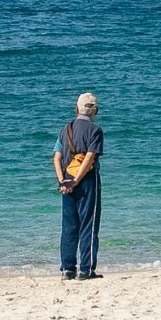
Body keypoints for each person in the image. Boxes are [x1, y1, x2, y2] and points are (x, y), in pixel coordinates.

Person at [54, 92, 104, 280]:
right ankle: (86, 269)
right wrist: (77, 179)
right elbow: (90, 157)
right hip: (87, 181)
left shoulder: (65, 129)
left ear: (77, 109)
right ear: (95, 112)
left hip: (66, 180)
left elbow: (57, 158)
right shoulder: (95, 130)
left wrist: (63, 180)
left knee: (69, 225)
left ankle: (67, 269)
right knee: (88, 225)